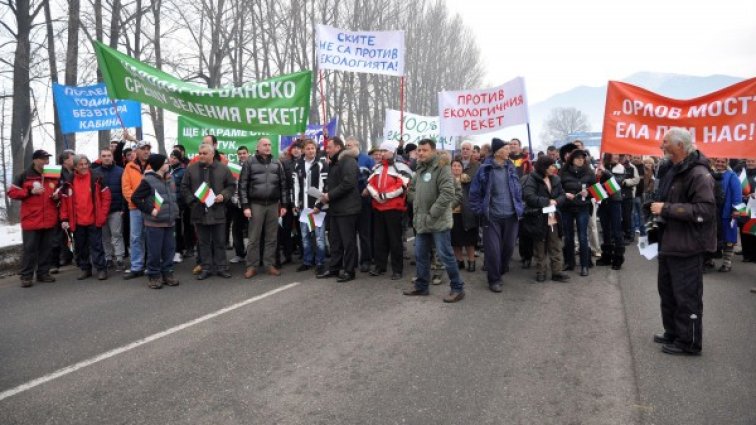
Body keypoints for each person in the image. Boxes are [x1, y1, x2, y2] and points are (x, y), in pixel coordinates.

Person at [650, 127, 716, 356]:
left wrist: (666, 209)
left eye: (665, 142)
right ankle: (673, 332)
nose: (661, 146)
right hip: (669, 242)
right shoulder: (673, 170)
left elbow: (705, 210)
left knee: (687, 296)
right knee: (667, 292)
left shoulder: (699, 174)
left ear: (679, 145)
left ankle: (689, 342)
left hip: (688, 245)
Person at [403, 139, 465, 303]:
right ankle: (422, 286)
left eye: (424, 150)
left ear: (433, 151)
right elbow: (413, 190)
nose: (421, 153)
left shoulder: (442, 168)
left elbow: (447, 193)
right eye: (419, 150)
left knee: (445, 255)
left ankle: (457, 288)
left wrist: (432, 213)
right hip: (422, 220)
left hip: (437, 221)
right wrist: (414, 201)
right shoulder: (420, 169)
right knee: (421, 254)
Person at [469, 138, 524, 292]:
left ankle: (500, 268)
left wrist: (520, 205)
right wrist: (480, 210)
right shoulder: (485, 168)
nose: (509, 151)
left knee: (508, 248)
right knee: (493, 250)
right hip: (492, 217)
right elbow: (474, 193)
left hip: (511, 215)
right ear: (499, 152)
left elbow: (517, 188)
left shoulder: (510, 167)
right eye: (506, 149)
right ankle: (494, 279)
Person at [181, 144, 236, 280]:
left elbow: (231, 185)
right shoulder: (191, 169)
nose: (201, 155)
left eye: (205, 153)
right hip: (199, 211)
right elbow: (184, 187)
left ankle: (221, 267)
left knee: (220, 241)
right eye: (200, 153)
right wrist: (192, 201)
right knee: (203, 242)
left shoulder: (223, 169)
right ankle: (206, 268)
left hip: (218, 210)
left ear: (212, 154)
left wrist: (223, 195)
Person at [239, 137, 289, 278]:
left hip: (273, 205)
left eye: (269, 145)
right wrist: (245, 206)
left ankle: (269, 265)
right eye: (265, 145)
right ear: (258, 147)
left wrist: (284, 205)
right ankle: (251, 266)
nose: (268, 147)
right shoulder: (249, 162)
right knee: (254, 238)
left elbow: (283, 186)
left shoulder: (276, 163)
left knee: (271, 237)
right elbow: (242, 185)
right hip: (256, 205)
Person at [8, 150, 59, 287]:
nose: (46, 162)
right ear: (35, 160)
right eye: (43, 159)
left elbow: (60, 189)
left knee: (46, 249)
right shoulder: (24, 175)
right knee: (30, 249)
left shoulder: (52, 172)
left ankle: (43, 273)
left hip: (49, 218)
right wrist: (30, 192)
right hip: (31, 219)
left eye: (47, 159)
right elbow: (11, 192)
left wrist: (57, 196)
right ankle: (26, 276)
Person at [315, 137, 362, 282]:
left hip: (348, 209)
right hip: (335, 208)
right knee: (335, 241)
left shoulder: (348, 161)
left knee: (348, 242)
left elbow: (348, 183)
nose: (326, 150)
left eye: (329, 147)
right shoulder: (335, 163)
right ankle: (335, 268)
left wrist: (329, 195)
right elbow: (332, 184)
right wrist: (322, 200)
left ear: (338, 147)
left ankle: (349, 271)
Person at [132, 154, 181, 289]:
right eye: (166, 162)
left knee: (169, 250)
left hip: (169, 221)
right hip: (155, 223)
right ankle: (154, 275)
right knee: (155, 251)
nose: (168, 164)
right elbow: (135, 198)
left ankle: (167, 273)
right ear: (159, 165)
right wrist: (150, 210)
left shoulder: (170, 179)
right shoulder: (148, 181)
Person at [366, 140, 413, 280]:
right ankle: (380, 266)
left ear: (392, 152)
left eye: (384, 151)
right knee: (379, 238)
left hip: (394, 208)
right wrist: (376, 195)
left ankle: (397, 269)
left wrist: (386, 196)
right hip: (378, 208)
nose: (381, 153)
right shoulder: (377, 167)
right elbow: (370, 183)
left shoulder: (401, 167)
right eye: (380, 151)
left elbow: (403, 185)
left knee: (395, 239)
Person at [59, 154, 111, 281]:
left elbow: (106, 197)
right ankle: (85, 269)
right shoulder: (69, 181)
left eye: (86, 164)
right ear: (75, 166)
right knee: (81, 247)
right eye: (81, 164)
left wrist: (103, 215)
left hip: (94, 219)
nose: (84, 166)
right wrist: (64, 219)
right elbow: (65, 202)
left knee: (96, 246)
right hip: (77, 221)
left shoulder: (96, 178)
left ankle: (101, 269)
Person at [521, 156, 569, 282]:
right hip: (538, 216)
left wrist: (556, 202)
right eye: (551, 166)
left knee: (555, 243)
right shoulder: (532, 179)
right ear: (543, 167)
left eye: (554, 165)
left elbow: (562, 195)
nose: (554, 168)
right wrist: (547, 201)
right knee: (539, 244)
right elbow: (529, 196)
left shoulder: (556, 179)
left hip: (552, 216)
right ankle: (540, 272)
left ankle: (557, 272)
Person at [292, 139, 328, 274]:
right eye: (308, 148)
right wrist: (295, 204)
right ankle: (307, 261)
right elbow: (295, 186)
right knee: (305, 236)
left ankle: (320, 262)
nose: (311, 151)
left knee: (319, 237)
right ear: (303, 150)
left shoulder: (321, 164)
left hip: (317, 208)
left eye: (313, 148)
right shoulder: (297, 165)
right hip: (304, 208)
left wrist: (319, 204)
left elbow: (324, 186)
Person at [559, 149, 596, 276]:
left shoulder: (589, 172)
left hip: (582, 207)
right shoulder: (563, 172)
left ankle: (584, 265)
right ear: (572, 159)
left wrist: (589, 193)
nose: (581, 160)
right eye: (578, 158)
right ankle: (569, 262)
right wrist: (565, 194)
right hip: (567, 208)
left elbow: (596, 190)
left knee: (582, 236)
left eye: (582, 158)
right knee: (568, 236)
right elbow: (557, 189)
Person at [345, 136, 375, 273]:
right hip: (349, 201)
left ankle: (366, 260)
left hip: (364, 200)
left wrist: (368, 189)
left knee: (364, 232)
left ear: (357, 145)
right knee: (350, 233)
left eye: (350, 145)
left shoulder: (367, 160)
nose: (347, 148)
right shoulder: (345, 160)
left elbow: (375, 177)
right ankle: (353, 260)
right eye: (346, 146)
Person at [122, 140, 151, 279]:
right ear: (136, 151)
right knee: (135, 237)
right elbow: (126, 188)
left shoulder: (154, 165)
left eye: (148, 149)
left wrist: (149, 203)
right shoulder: (129, 167)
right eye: (143, 148)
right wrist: (136, 201)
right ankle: (137, 267)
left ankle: (151, 265)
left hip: (150, 208)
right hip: (135, 208)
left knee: (150, 237)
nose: (146, 151)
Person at [596, 153, 626, 270]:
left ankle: (618, 258)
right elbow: (597, 184)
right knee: (605, 230)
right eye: (614, 155)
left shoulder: (620, 168)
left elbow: (616, 183)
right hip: (603, 201)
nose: (616, 157)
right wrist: (598, 175)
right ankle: (607, 256)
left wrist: (605, 173)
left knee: (616, 230)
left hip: (615, 202)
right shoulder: (602, 166)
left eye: (617, 155)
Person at [97, 148, 126, 271]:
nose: (107, 158)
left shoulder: (120, 171)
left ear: (112, 157)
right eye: (104, 156)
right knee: (104, 236)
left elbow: (125, 190)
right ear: (100, 157)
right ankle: (108, 258)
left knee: (117, 234)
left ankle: (119, 258)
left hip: (116, 209)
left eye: (109, 155)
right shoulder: (95, 172)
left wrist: (123, 207)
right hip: (101, 211)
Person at [710, 157, 740, 272]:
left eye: (723, 162)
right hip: (712, 212)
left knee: (728, 237)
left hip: (727, 211)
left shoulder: (732, 176)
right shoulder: (710, 174)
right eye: (718, 161)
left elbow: (737, 195)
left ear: (727, 163)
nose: (720, 164)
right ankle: (710, 260)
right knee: (712, 236)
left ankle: (727, 263)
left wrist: (736, 210)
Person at [450, 159, 479, 272]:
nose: (456, 168)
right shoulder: (446, 181)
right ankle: (459, 260)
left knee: (469, 241)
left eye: (458, 166)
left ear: (462, 168)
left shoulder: (468, 180)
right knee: (455, 241)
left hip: (467, 214)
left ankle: (471, 261)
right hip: (452, 213)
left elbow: (474, 196)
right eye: (454, 166)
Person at [227, 146, 249, 264]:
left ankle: (252, 255)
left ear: (248, 154)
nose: (242, 155)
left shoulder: (252, 165)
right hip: (236, 203)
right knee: (236, 229)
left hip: (250, 203)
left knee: (252, 230)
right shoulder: (233, 167)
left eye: (244, 153)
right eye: (239, 154)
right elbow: (230, 184)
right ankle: (239, 254)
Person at [169, 149, 192, 262]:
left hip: (178, 205)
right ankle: (171, 251)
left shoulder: (183, 171)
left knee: (178, 229)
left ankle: (178, 251)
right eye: (171, 157)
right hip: (168, 205)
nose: (172, 159)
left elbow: (184, 189)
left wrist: (181, 205)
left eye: (175, 158)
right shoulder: (167, 170)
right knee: (170, 229)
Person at [619, 154, 641, 244]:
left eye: (622, 156)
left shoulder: (631, 167)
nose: (620, 158)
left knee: (627, 216)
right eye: (619, 156)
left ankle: (629, 235)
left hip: (628, 195)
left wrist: (625, 182)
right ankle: (619, 234)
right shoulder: (612, 166)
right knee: (617, 216)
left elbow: (636, 180)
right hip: (615, 195)